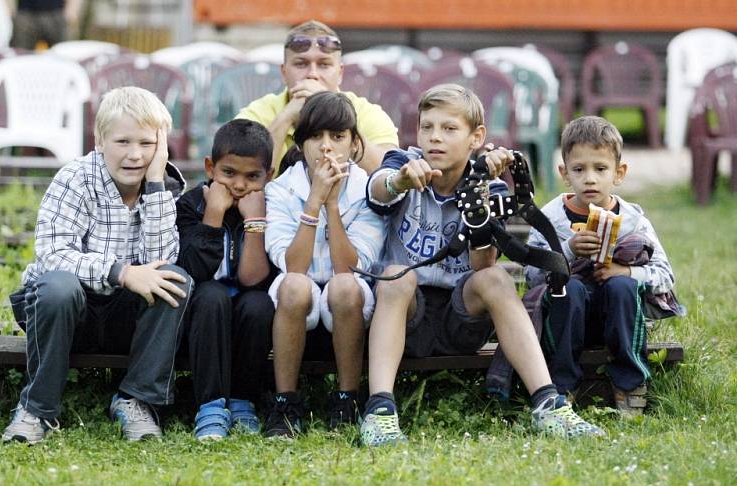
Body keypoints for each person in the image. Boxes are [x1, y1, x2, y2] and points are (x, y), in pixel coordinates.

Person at [361, 84, 605, 447]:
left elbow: (483, 263)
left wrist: (479, 202)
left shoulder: (492, 187)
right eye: (427, 127)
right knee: (396, 277)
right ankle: (379, 411)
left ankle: (548, 404)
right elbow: (377, 191)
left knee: (495, 278)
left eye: (449, 129)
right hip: (403, 315)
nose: (435, 138)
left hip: (462, 318)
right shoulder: (402, 162)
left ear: (476, 137)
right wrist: (399, 181)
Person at [3, 86, 192, 444]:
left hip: (122, 317)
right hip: (66, 313)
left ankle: (135, 400)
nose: (135, 155)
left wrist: (155, 185)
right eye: (123, 142)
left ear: (162, 147)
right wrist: (120, 271)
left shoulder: (163, 186)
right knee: (58, 285)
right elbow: (52, 253)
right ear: (100, 139)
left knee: (175, 279)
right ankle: (37, 408)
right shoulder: (75, 178)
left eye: (147, 144)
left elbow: (161, 259)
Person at [524, 115, 682, 416]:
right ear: (564, 173)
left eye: (600, 169)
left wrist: (627, 271)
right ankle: (562, 388)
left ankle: (630, 382)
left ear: (618, 173)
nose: (590, 179)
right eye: (579, 170)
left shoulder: (634, 221)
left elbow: (666, 276)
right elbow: (532, 276)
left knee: (623, 285)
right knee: (567, 288)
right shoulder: (551, 218)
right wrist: (567, 252)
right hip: (566, 319)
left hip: (619, 318)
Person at [263, 91, 385, 438]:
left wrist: (334, 206)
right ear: (300, 144)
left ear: (354, 142)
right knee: (294, 284)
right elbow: (292, 265)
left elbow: (351, 267)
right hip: (295, 301)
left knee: (344, 286)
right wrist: (314, 200)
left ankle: (347, 397)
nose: (326, 146)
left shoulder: (367, 188)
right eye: (315, 136)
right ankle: (285, 401)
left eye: (337, 136)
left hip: (347, 297)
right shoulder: (282, 189)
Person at [175, 119, 276, 440]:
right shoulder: (190, 205)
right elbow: (195, 270)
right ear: (210, 167)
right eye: (229, 173)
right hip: (202, 313)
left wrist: (256, 221)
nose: (240, 185)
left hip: (248, 313)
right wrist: (214, 215)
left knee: (259, 304)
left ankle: (244, 400)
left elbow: (254, 280)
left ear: (268, 176)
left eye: (252, 176)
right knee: (211, 294)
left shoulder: (270, 208)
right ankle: (211, 405)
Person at [236, 19, 399, 176]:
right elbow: (240, 178)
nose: (312, 74)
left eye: (324, 65)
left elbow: (390, 174)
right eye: (301, 64)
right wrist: (284, 119)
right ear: (284, 73)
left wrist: (335, 115)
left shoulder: (366, 113)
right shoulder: (257, 114)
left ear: (340, 73)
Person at [9, 0, 81, 50]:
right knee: (21, 57)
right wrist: (10, 10)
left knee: (61, 57)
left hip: (56, 13)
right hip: (25, 14)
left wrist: (72, 9)